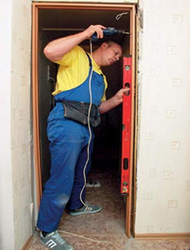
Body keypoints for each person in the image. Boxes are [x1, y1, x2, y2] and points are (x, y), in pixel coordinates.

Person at [36, 24, 129, 250]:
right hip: (66, 121)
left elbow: (98, 108)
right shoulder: (77, 55)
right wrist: (86, 33)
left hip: (87, 125)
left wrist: (116, 100)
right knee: (62, 176)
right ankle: (46, 229)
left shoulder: (102, 79)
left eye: (119, 56)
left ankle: (76, 206)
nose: (117, 57)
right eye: (115, 52)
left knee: (81, 170)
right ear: (104, 45)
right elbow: (49, 51)